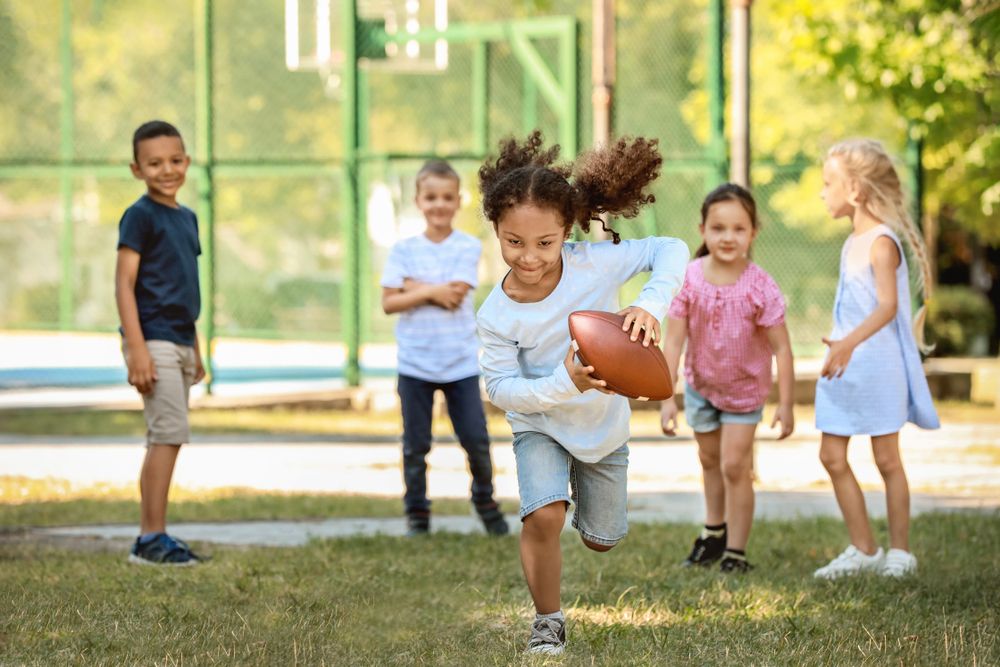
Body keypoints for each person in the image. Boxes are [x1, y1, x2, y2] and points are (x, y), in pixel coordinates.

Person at [476, 131, 689, 654]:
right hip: (540, 424)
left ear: (567, 230)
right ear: (496, 231)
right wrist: (563, 383)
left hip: (601, 427)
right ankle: (547, 622)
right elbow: (501, 389)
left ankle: (586, 500)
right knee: (543, 514)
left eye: (545, 243)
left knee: (601, 540)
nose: (529, 256)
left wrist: (648, 306)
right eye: (513, 241)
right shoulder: (496, 314)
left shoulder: (595, 262)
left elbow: (672, 249)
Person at [813, 138, 940, 579]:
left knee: (887, 460)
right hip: (845, 370)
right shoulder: (852, 241)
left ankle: (900, 552)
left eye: (828, 183)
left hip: (877, 367)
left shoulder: (882, 242)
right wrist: (842, 348)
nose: (821, 191)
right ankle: (864, 548)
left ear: (855, 191)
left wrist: (848, 343)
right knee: (831, 456)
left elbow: (886, 307)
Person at [660, 183, 795, 574]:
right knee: (709, 460)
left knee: (735, 466)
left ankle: (736, 552)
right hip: (701, 388)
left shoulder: (760, 286)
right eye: (719, 228)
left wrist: (786, 405)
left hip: (744, 393)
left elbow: (782, 349)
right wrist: (666, 397)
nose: (728, 237)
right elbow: (673, 342)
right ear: (702, 230)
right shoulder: (688, 279)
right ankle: (713, 533)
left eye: (739, 228)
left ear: (753, 232)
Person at [380, 160, 508, 537]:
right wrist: (430, 289)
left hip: (460, 365)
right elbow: (389, 302)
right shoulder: (403, 249)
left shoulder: (468, 246)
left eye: (447, 197)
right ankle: (417, 515)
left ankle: (486, 503)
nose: (439, 204)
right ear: (418, 200)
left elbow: (454, 296)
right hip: (415, 365)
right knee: (415, 446)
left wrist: (413, 288)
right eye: (431, 197)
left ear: (458, 201)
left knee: (476, 441)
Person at [115, 120, 204, 565]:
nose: (166, 170)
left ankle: (155, 535)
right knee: (166, 436)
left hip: (180, 342)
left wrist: (197, 349)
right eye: (154, 163)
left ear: (186, 162)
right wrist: (137, 348)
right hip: (152, 341)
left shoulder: (187, 218)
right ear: (137, 169)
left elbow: (187, 286)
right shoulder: (140, 216)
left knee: (168, 437)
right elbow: (124, 284)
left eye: (174, 160)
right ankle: (151, 538)